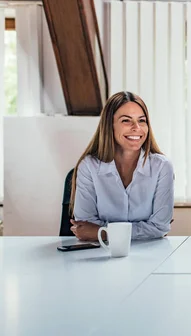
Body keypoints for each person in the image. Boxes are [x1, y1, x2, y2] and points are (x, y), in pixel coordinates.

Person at [70, 91, 174, 241]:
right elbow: (86, 224)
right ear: (109, 125)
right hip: (100, 252)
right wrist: (141, 229)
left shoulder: (162, 167)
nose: (136, 127)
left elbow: (159, 227)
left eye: (142, 120)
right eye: (126, 121)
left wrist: (103, 232)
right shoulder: (89, 166)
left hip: (149, 253)